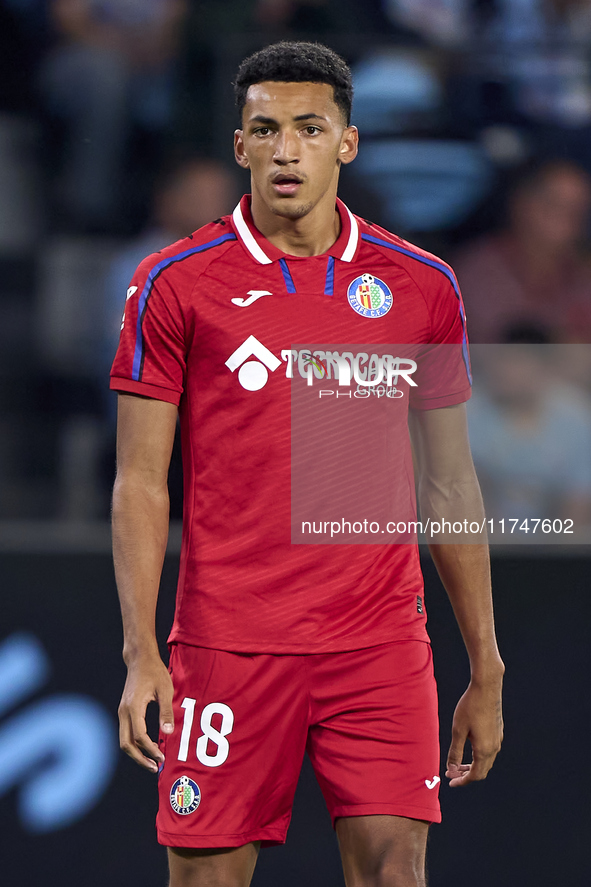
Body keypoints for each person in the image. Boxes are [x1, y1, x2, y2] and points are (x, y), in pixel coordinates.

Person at [110, 41, 504, 887]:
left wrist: (486, 660)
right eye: (266, 129)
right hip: (229, 646)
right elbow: (140, 481)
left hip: (379, 644)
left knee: (395, 873)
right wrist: (143, 652)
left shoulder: (420, 286)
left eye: (308, 127)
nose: (286, 148)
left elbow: (449, 483)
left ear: (346, 143)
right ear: (240, 145)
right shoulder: (173, 284)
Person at [454, 159, 591, 343]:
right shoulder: (475, 271)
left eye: (576, 210)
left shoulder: (583, 276)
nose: (564, 219)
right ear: (521, 202)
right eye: (553, 203)